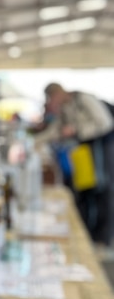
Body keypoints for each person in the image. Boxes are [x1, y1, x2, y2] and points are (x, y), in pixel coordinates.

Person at [36, 83, 114, 247]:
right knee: (85, 191)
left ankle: (102, 239)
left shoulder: (83, 99)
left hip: (99, 149)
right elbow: (55, 130)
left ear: (57, 93)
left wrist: (77, 130)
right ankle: (87, 235)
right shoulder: (65, 107)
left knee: (102, 192)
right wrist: (35, 142)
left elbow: (105, 123)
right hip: (82, 152)